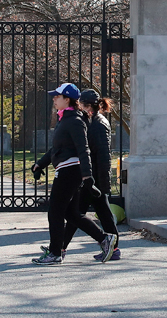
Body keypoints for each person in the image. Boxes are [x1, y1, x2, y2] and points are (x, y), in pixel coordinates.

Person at [30, 82, 117, 265]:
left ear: (67, 99)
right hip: (66, 169)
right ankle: (104, 239)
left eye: (57, 96)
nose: (54, 99)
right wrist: (40, 164)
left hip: (70, 171)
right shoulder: (65, 119)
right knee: (72, 214)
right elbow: (57, 148)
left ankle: (55, 253)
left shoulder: (75, 120)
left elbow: (83, 150)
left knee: (55, 212)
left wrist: (87, 177)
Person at [59, 89, 122, 261]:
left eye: (80, 105)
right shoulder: (91, 121)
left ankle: (60, 248)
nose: (77, 107)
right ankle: (113, 248)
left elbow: (103, 155)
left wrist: (102, 183)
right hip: (90, 177)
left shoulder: (98, 124)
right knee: (98, 214)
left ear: (88, 106)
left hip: (94, 178)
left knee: (78, 214)